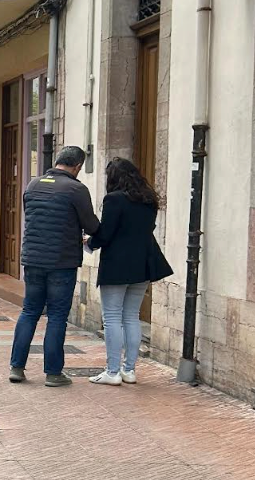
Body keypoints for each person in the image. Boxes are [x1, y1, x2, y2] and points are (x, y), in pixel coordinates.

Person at [10, 146, 100, 388]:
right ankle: (52, 373)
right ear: (78, 166)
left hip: (33, 259)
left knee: (29, 311)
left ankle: (17, 367)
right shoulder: (76, 189)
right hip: (62, 261)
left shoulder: (33, 185)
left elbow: (31, 215)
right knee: (57, 316)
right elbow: (91, 225)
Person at [85, 158, 173, 386]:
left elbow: (106, 234)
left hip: (117, 264)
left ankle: (112, 371)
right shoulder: (148, 200)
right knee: (131, 316)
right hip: (143, 263)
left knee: (112, 317)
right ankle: (129, 370)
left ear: (113, 178)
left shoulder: (114, 199)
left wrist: (89, 242)